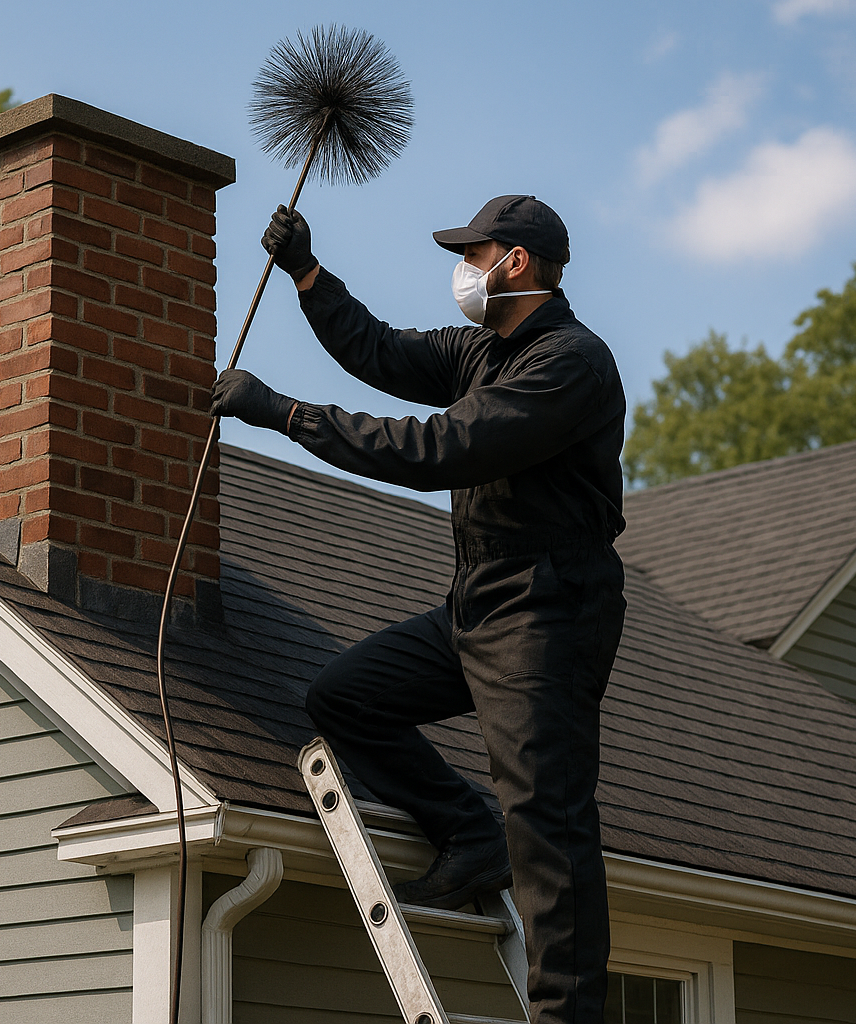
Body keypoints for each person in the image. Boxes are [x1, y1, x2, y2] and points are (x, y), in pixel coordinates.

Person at [209, 195, 627, 1024]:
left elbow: (442, 450)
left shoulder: (570, 363)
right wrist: (307, 273)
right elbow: (381, 352)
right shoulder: (481, 351)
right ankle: (469, 831)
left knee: (549, 821)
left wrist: (286, 415)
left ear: (516, 261)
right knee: (346, 698)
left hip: (548, 609)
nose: (463, 270)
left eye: (474, 254)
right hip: (477, 601)